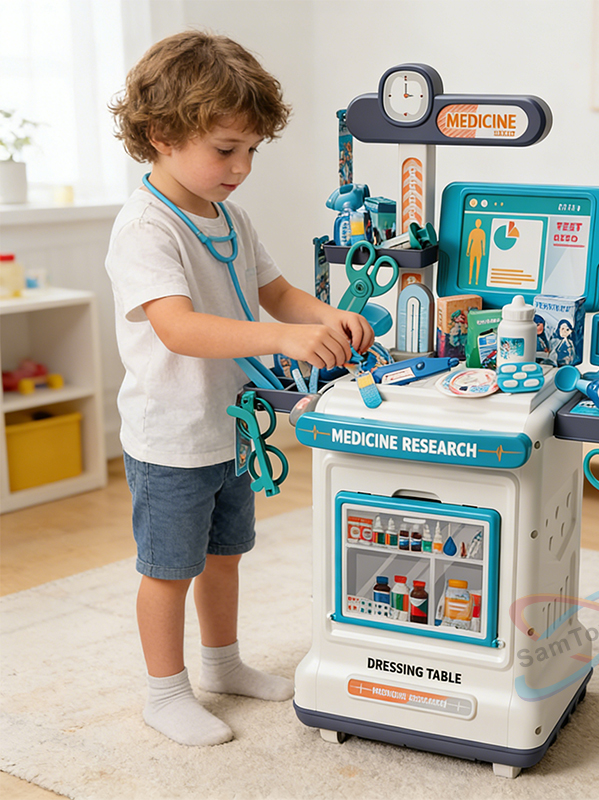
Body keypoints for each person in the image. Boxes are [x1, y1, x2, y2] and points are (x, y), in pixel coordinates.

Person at [106, 30, 374, 747]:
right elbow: (180, 328)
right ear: (161, 135)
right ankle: (164, 693)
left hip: (232, 426)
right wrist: (282, 337)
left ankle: (221, 665)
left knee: (225, 553)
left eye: (252, 150)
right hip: (172, 433)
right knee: (170, 569)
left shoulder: (230, 216)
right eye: (226, 150)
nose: (242, 167)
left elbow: (278, 291)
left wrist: (326, 316)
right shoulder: (145, 228)